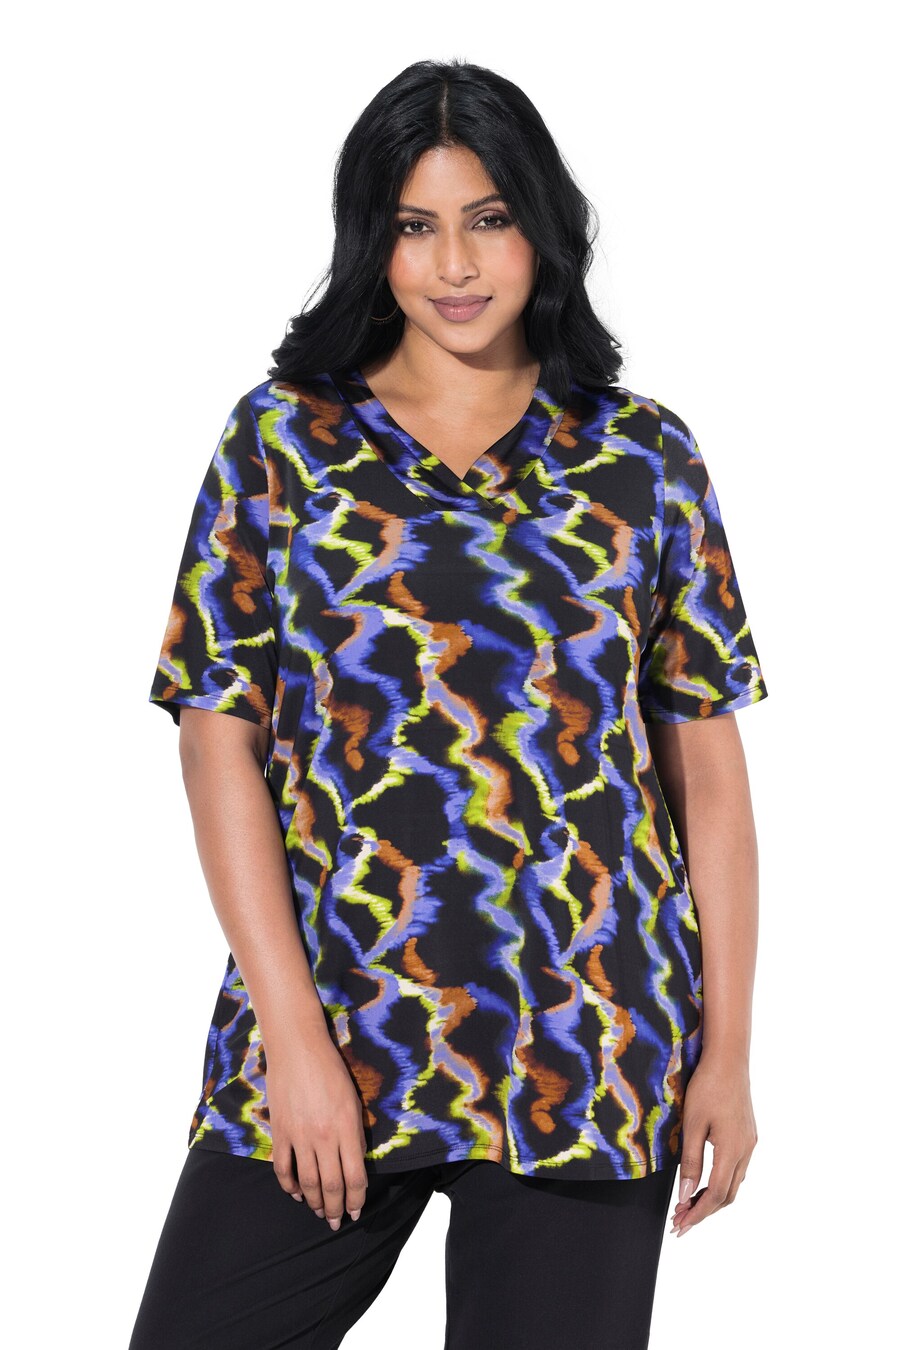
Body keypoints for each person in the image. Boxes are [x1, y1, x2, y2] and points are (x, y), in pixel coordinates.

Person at [129, 57, 768, 1350]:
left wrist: (728, 1055)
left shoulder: (643, 458)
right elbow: (217, 745)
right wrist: (293, 1041)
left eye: (489, 217)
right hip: (338, 1020)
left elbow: (706, 778)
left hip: (589, 1038)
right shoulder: (283, 442)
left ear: (545, 227)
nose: (456, 263)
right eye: (416, 225)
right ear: (372, 241)